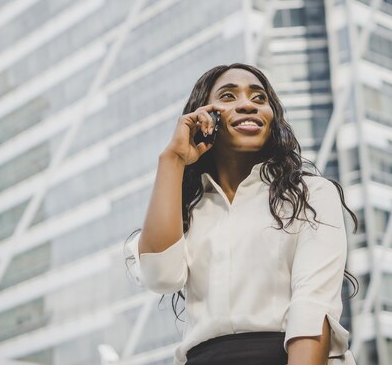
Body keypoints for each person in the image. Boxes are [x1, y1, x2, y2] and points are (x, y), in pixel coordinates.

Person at [124, 63, 358, 365]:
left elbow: (312, 308)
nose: (248, 104)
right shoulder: (189, 212)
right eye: (228, 96)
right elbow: (160, 277)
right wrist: (173, 159)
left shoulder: (310, 195)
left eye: (259, 98)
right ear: (204, 115)